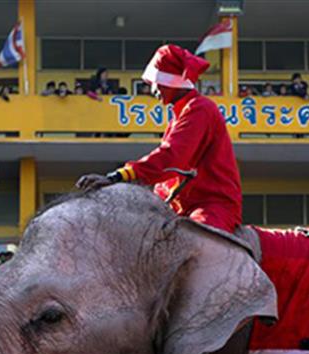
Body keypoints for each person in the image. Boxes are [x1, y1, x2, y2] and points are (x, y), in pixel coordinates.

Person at [76, 44, 243, 234]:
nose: (153, 90)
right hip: (181, 209)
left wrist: (117, 176)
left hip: (212, 206)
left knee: (194, 244)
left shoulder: (199, 109)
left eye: (155, 82)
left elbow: (171, 158)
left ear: (170, 82)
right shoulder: (181, 113)